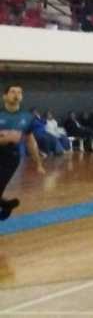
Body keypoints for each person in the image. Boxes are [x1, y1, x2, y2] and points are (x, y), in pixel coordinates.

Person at [0, 85, 46, 220]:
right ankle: (6, 204)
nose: (16, 95)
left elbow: (31, 141)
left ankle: (6, 205)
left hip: (10, 158)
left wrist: (38, 163)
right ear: (4, 96)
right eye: (13, 92)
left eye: (19, 92)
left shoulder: (28, 117)